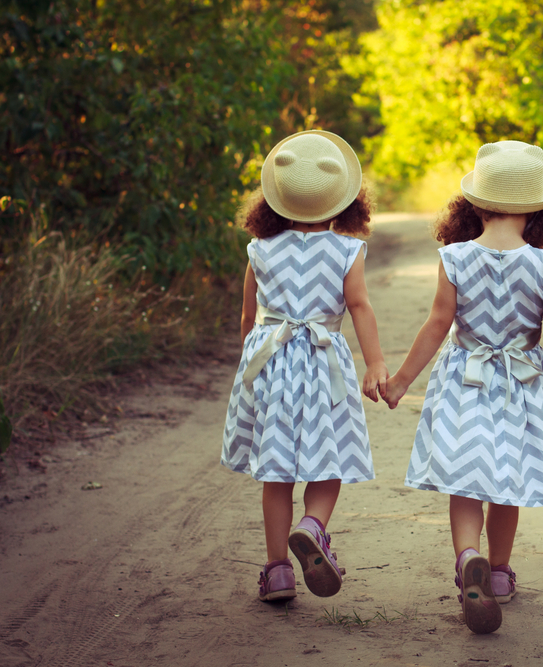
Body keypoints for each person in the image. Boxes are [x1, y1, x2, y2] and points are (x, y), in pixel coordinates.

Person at [383, 141, 543, 633]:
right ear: (541, 211)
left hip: (464, 380)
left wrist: (399, 383)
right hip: (520, 385)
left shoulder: (454, 256)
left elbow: (437, 326)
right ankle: (498, 574)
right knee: (508, 483)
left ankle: (467, 559)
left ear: (474, 204)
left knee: (465, 480)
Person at [221, 130, 388, 602]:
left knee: (276, 472)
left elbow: (249, 317)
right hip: (322, 366)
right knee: (327, 459)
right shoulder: (346, 250)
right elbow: (359, 307)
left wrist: (247, 366)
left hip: (271, 364)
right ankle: (313, 526)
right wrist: (374, 363)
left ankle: (277, 571)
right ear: (342, 202)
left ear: (274, 201)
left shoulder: (259, 248)